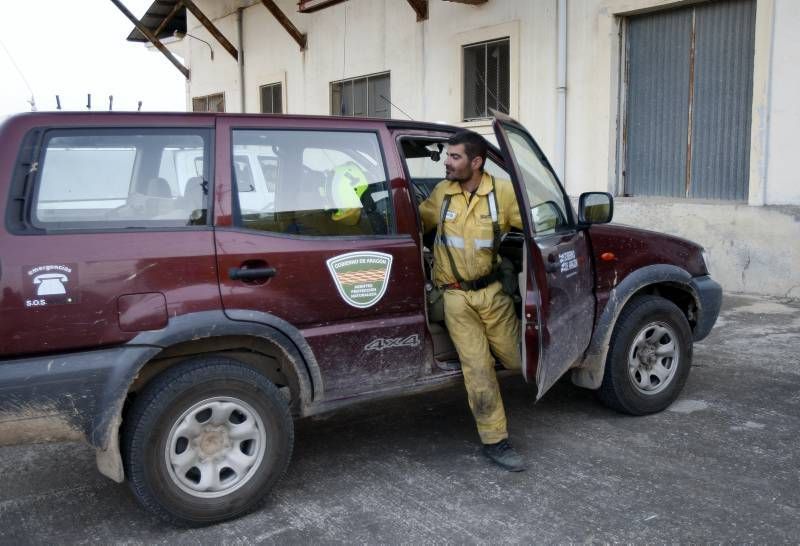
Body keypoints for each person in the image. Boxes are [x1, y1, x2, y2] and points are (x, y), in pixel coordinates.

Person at [419, 130, 525, 472]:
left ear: (476, 162)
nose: (446, 163)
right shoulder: (442, 193)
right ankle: (496, 439)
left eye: (454, 157)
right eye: (447, 156)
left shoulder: (504, 193)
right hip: (454, 297)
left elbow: (540, 228)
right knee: (477, 368)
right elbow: (414, 224)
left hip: (493, 294)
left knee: (516, 358)